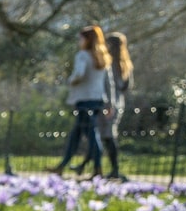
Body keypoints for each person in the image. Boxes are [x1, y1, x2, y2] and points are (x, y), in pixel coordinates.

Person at [69, 31, 134, 179]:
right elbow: (127, 86)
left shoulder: (108, 62)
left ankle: (109, 168)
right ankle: (89, 165)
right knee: (103, 135)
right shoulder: (126, 64)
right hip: (118, 103)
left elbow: (106, 84)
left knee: (102, 136)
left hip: (106, 103)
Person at [50, 25, 112, 179]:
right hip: (97, 100)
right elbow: (108, 83)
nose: (79, 41)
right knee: (77, 134)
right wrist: (109, 103)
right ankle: (62, 165)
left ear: (87, 39)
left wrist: (70, 81)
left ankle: (97, 168)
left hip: (84, 100)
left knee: (91, 134)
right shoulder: (102, 57)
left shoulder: (83, 55)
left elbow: (79, 74)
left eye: (81, 38)